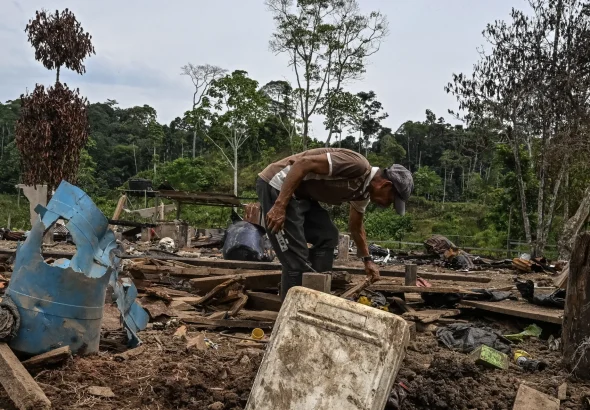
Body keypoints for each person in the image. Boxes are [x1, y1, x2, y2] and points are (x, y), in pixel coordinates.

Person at [256, 147, 413, 299]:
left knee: (328, 235)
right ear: (385, 185)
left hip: (300, 196)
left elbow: (356, 227)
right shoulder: (357, 165)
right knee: (295, 258)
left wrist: (367, 260)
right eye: (390, 200)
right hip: (277, 185)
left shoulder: (363, 193)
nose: (387, 205)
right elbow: (303, 163)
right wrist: (279, 205)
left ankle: (317, 294)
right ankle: (291, 311)